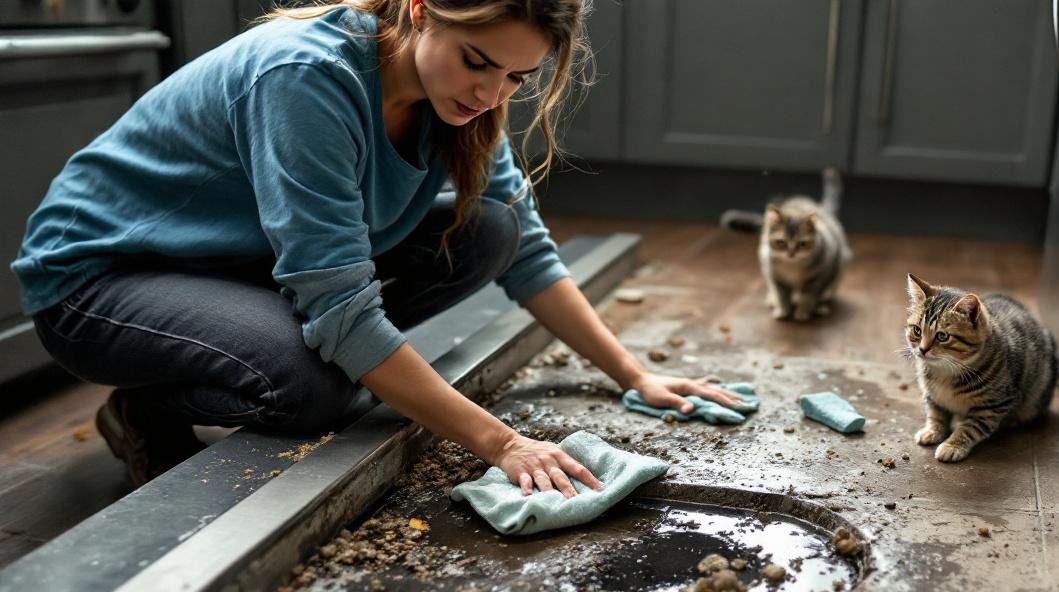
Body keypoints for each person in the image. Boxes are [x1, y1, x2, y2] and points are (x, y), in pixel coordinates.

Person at [10, 0, 740, 494]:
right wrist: (500, 444)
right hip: (101, 282)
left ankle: (264, 344)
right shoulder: (309, 75)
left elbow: (529, 253)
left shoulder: (460, 98)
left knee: (492, 231)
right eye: (479, 62)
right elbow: (342, 309)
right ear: (421, 10)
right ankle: (146, 408)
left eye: (517, 76)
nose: (491, 93)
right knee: (315, 385)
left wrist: (633, 373)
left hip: (231, 266)